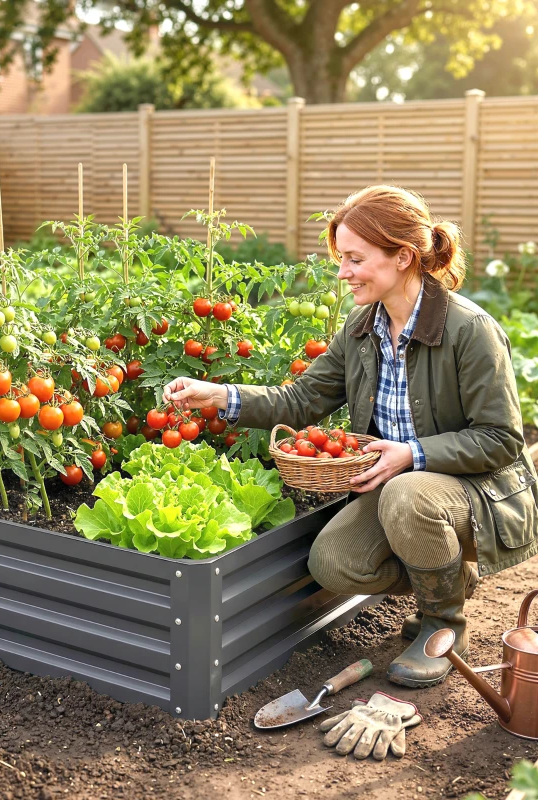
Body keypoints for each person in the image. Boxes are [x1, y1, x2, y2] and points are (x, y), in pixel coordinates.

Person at [162, 185, 538, 688]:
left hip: (478, 490)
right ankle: (448, 574)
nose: (342, 273)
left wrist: (413, 453)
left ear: (403, 257)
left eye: (355, 259)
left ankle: (443, 626)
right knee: (334, 563)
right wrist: (221, 396)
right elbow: (302, 401)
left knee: (408, 494)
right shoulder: (363, 328)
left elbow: (502, 439)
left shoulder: (470, 330)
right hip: (408, 492)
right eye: (342, 258)